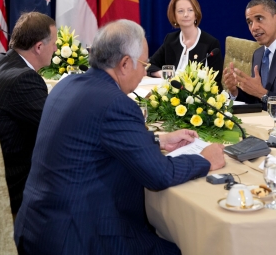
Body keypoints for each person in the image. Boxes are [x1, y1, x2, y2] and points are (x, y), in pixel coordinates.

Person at [14, 19, 225, 255]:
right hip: (78, 239)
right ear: (125, 64)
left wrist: (158, 141)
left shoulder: (68, 84)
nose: (145, 71)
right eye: (144, 63)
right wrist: (205, 160)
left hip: (37, 228)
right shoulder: (115, 103)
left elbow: (97, 142)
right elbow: (159, 175)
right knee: (185, 248)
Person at [0, 12, 56, 213]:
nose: (56, 49)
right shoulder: (23, 80)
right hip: (8, 188)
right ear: (39, 47)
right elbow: (57, 129)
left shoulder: (3, 62)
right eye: (54, 43)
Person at [147, 0, 223, 84]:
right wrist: (164, 74)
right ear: (174, 16)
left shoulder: (210, 43)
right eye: (180, 11)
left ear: (196, 14)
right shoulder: (170, 39)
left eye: (190, 10)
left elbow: (216, 83)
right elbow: (150, 65)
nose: (186, 14)